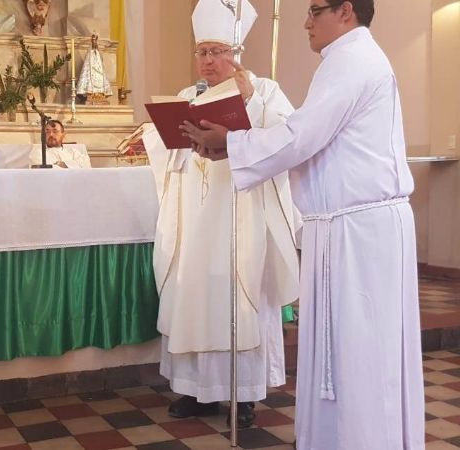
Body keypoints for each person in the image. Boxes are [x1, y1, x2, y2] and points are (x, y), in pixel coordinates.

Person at [185, 1, 424, 447]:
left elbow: (300, 135)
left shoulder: (351, 60)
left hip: (357, 233)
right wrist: (230, 146)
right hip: (350, 228)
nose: (306, 22)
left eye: (316, 10)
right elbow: (307, 138)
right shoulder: (349, 59)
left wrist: (232, 144)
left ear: (346, 11)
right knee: (355, 353)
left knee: (359, 355)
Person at [144, 0, 300, 429]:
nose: (209, 61)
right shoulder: (186, 96)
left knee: (237, 296)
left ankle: (243, 394)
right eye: (202, 52)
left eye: (217, 51)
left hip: (240, 216)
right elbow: (167, 150)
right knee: (194, 294)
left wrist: (250, 102)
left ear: (237, 54)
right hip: (194, 221)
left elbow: (290, 137)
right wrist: (155, 137)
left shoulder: (264, 90)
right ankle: (194, 390)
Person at [76, 32, 113, 104]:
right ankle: (91, 93)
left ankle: (100, 93)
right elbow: (87, 64)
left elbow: (100, 63)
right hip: (91, 71)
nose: (94, 42)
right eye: (93, 41)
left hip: (98, 70)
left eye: (95, 41)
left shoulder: (97, 53)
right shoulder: (90, 53)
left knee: (100, 77)